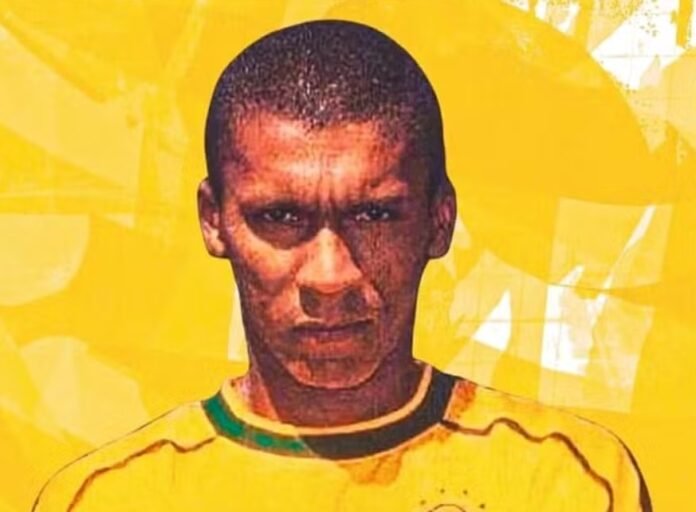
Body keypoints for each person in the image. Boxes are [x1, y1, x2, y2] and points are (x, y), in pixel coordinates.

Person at [33, 20, 651, 512]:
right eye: (281, 216)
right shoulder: (107, 499)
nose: (330, 277)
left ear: (439, 220)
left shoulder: (566, 481)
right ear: (213, 220)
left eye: (373, 215)